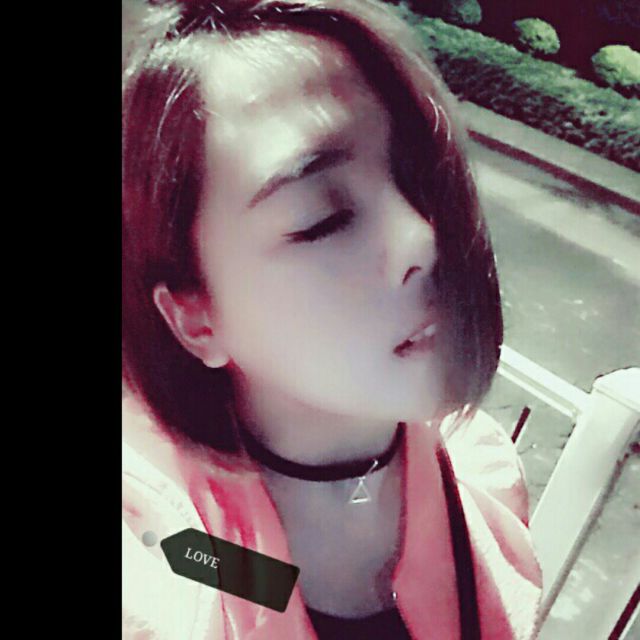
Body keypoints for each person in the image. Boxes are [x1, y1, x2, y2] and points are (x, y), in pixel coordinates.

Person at [122, 0, 542, 638]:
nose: (424, 237)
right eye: (322, 218)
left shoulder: (478, 470)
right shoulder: (160, 542)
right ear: (196, 318)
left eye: (420, 175)